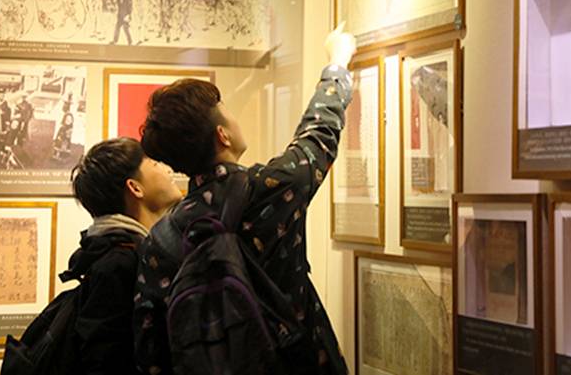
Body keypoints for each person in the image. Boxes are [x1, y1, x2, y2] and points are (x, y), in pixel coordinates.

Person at [133, 25, 356, 375]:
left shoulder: (160, 240)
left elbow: (151, 346)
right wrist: (338, 62)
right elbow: (319, 133)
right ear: (222, 135)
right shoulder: (270, 188)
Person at [65, 137, 183, 374]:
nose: (166, 169)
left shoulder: (121, 253)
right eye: (154, 163)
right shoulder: (119, 263)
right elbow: (104, 362)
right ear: (135, 188)